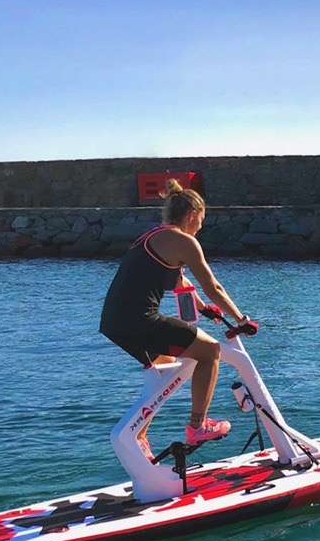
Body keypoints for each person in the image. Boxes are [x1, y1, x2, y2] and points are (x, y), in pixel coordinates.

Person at [99, 179, 250, 459]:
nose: (200, 227)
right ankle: (198, 426)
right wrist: (242, 319)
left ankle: (138, 437)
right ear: (192, 214)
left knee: (166, 369)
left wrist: (204, 308)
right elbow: (214, 286)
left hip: (114, 322)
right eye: (201, 220)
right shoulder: (184, 241)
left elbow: (181, 282)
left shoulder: (154, 236)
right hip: (139, 319)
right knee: (210, 351)